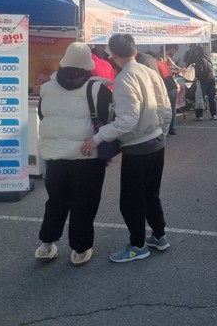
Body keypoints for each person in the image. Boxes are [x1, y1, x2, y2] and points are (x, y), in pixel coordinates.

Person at [81, 34, 172, 263]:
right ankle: (159, 236)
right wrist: (161, 132)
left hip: (138, 148)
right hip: (157, 143)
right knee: (151, 194)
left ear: (113, 55)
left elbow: (127, 121)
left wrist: (98, 138)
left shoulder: (124, 79)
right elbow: (165, 107)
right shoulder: (149, 71)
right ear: (135, 50)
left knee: (131, 200)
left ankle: (138, 245)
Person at [36, 42, 112, 266]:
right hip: (86, 157)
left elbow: (42, 115)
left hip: (55, 157)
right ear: (88, 63)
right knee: (84, 204)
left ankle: (46, 245)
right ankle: (80, 249)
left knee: (56, 201)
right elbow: (108, 119)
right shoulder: (97, 88)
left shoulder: (47, 88)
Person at [193, 45, 217, 120]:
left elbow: (200, 71)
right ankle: (214, 114)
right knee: (211, 98)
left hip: (203, 80)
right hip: (211, 80)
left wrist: (196, 76)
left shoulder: (199, 59)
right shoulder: (208, 58)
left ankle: (199, 115)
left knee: (200, 97)